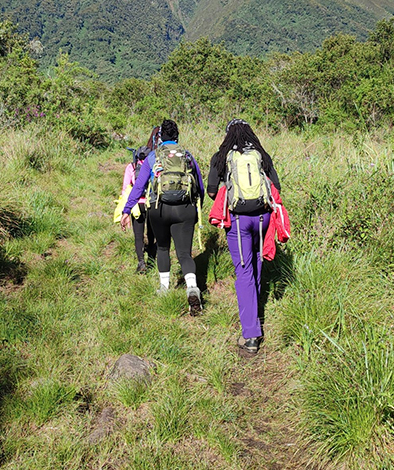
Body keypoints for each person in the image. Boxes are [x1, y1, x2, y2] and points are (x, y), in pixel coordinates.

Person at [206, 119, 281, 353]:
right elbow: (276, 185)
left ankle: (250, 334)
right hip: (263, 218)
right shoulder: (261, 154)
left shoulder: (222, 156)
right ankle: (256, 311)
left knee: (244, 271)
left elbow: (210, 190)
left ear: (228, 135)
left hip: (238, 221)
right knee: (257, 264)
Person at [120, 119, 205, 315]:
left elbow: (139, 186)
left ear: (160, 138)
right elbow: (199, 186)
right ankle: (192, 287)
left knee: (163, 247)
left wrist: (127, 210)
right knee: (184, 253)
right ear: (177, 136)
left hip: (159, 209)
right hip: (185, 208)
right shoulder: (187, 155)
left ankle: (164, 289)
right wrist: (195, 208)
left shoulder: (153, 157)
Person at [120, 126, 160, 273]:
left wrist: (126, 210)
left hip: (136, 205)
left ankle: (141, 263)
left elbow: (126, 189)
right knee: (151, 233)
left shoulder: (131, 167)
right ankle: (151, 259)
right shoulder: (153, 166)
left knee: (138, 234)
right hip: (150, 203)